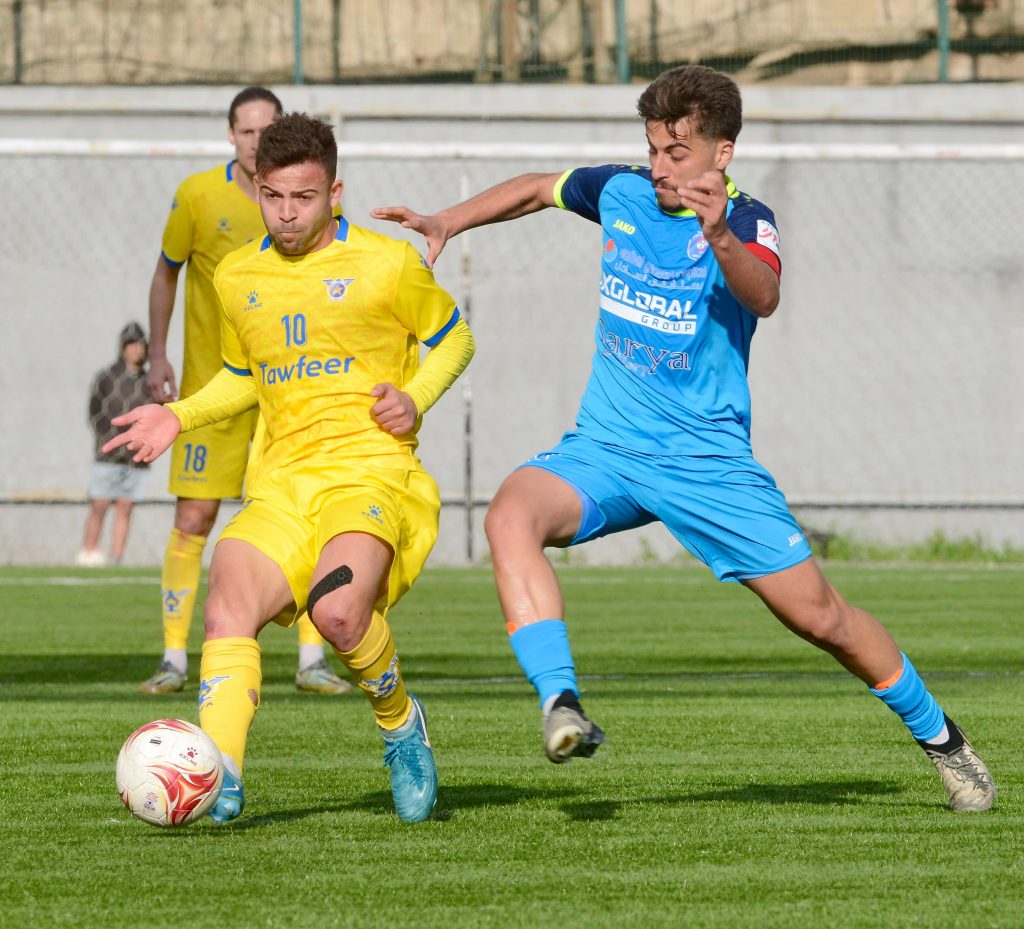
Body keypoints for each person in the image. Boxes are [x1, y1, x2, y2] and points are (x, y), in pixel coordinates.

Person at [372, 65, 995, 813]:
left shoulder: (749, 220)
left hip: (707, 464)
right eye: (654, 149)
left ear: (721, 154)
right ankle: (561, 702)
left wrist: (718, 234)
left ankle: (945, 741)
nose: (660, 166)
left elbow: (764, 295)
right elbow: (538, 187)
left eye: (677, 152)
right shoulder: (623, 191)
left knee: (822, 618)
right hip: (606, 448)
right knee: (509, 515)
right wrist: (449, 221)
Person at [104, 112, 475, 824]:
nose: (286, 213)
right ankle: (218, 772)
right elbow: (245, 375)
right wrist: (178, 415)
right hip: (281, 484)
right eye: (272, 196)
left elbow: (455, 339)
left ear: (334, 192)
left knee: (339, 615)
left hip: (371, 474)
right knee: (227, 604)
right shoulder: (238, 275)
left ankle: (400, 724)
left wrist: (415, 397)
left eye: (303, 197)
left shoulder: (387, 263)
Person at [141, 86, 351, 697]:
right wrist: (158, 353)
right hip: (215, 389)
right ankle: (173, 658)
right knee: (194, 516)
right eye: (246, 131)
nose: (256, 141)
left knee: (309, 516)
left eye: (267, 130)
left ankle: (311, 659)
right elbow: (165, 273)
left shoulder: (304, 201)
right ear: (231, 135)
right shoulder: (197, 196)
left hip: (289, 394)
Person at [77, 322, 151, 567]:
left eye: (140, 344)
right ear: (122, 348)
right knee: (99, 503)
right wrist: (106, 441)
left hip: (136, 456)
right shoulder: (107, 377)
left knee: (125, 506)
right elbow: (94, 412)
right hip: (108, 454)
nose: (136, 349)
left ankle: (117, 558)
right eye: (131, 344)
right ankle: (89, 553)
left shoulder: (148, 380)